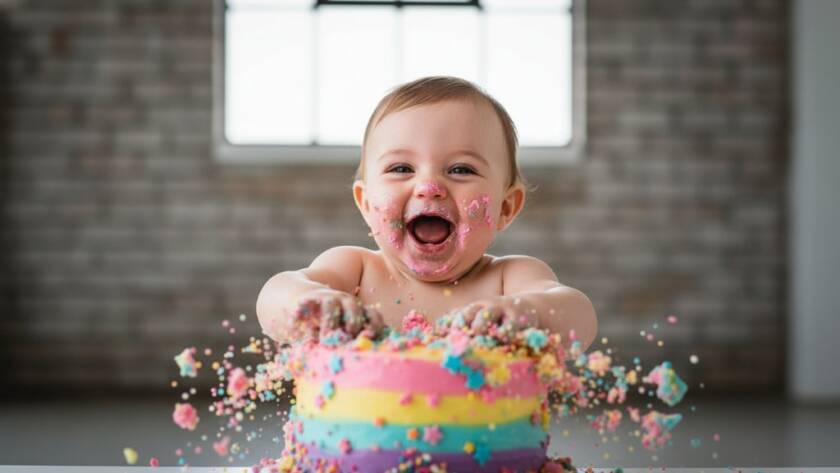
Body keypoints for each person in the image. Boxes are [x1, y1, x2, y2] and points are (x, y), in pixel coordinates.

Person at [256, 76, 597, 350]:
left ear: (505, 207)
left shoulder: (509, 279)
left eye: (461, 170)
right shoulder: (355, 270)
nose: (429, 186)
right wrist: (313, 302)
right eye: (401, 168)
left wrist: (528, 313)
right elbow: (274, 295)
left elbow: (579, 318)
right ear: (366, 203)